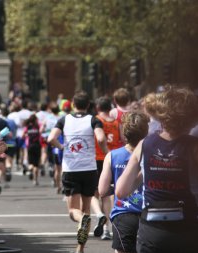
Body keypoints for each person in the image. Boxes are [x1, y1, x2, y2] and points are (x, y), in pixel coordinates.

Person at [116, 86, 198, 253]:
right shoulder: (195, 146)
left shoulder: (144, 144)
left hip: (153, 231)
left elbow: (121, 191)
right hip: (189, 227)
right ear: (189, 118)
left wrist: (146, 172)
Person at [48, 90, 108, 253]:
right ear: (88, 105)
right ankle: (80, 248)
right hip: (89, 168)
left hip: (71, 168)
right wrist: (106, 152)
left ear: (73, 105)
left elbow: (50, 138)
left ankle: (81, 220)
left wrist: (61, 147)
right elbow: (101, 138)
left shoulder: (63, 120)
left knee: (73, 211)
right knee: (86, 208)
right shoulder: (93, 120)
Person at [98, 112, 149, 253]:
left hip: (124, 213)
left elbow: (102, 190)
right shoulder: (154, 154)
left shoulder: (112, 156)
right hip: (150, 213)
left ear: (125, 132)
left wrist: (115, 187)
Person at [92, 96, 123, 240]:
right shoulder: (117, 123)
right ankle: (106, 228)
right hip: (113, 159)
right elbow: (123, 139)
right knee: (108, 194)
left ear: (98, 107)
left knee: (94, 193)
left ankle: (99, 215)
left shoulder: (96, 120)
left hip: (97, 159)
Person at [23, 114, 42, 185]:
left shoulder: (27, 127)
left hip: (30, 146)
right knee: (36, 164)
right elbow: (41, 132)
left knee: (31, 163)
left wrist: (26, 135)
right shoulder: (38, 126)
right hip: (37, 146)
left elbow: (23, 135)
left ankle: (30, 169)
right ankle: (35, 180)